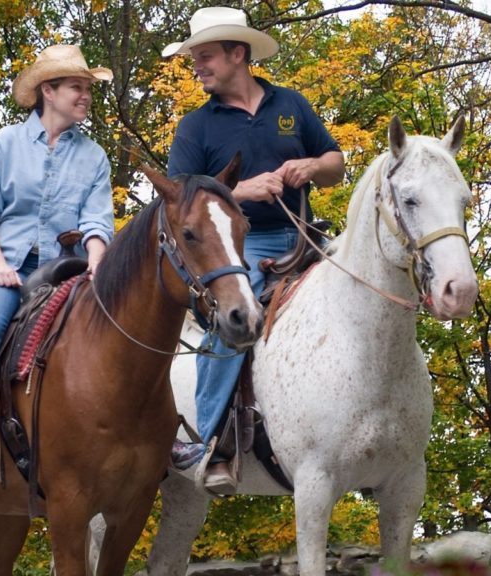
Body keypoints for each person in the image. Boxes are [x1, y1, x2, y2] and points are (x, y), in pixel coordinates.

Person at [162, 7, 344, 490]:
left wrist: (310, 166)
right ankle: (211, 445)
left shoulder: (290, 104)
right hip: (242, 247)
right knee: (231, 326)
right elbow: (180, 199)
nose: (198, 66)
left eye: (205, 57)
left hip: (308, 236)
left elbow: (336, 162)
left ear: (237, 54)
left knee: (373, 293)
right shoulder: (196, 126)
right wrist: (240, 190)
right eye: (195, 58)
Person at [0, 44, 116, 483]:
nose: (86, 95)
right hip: (6, 264)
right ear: (48, 92)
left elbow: (96, 222)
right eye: (77, 87)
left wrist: (96, 264)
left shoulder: (94, 156)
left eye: (88, 88)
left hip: (65, 270)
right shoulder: (6, 144)